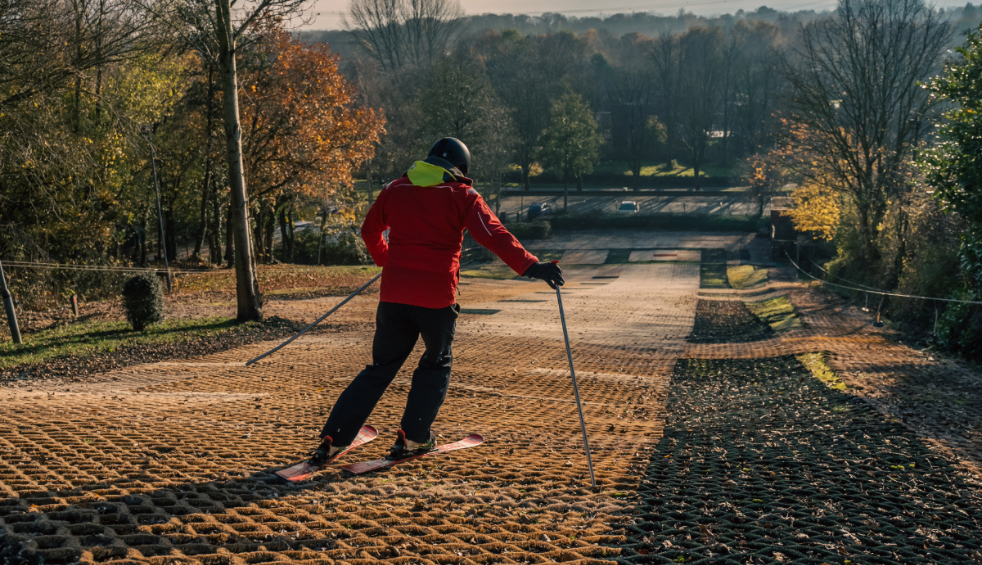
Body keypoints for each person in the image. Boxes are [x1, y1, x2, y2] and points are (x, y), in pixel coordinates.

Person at [311, 137, 564, 463]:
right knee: (436, 362)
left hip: (393, 298)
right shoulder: (464, 196)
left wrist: (385, 259)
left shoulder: (394, 190)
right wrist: (532, 266)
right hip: (436, 301)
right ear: (460, 168)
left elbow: (369, 231)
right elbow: (494, 235)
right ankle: (414, 437)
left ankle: (333, 439)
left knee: (380, 369)